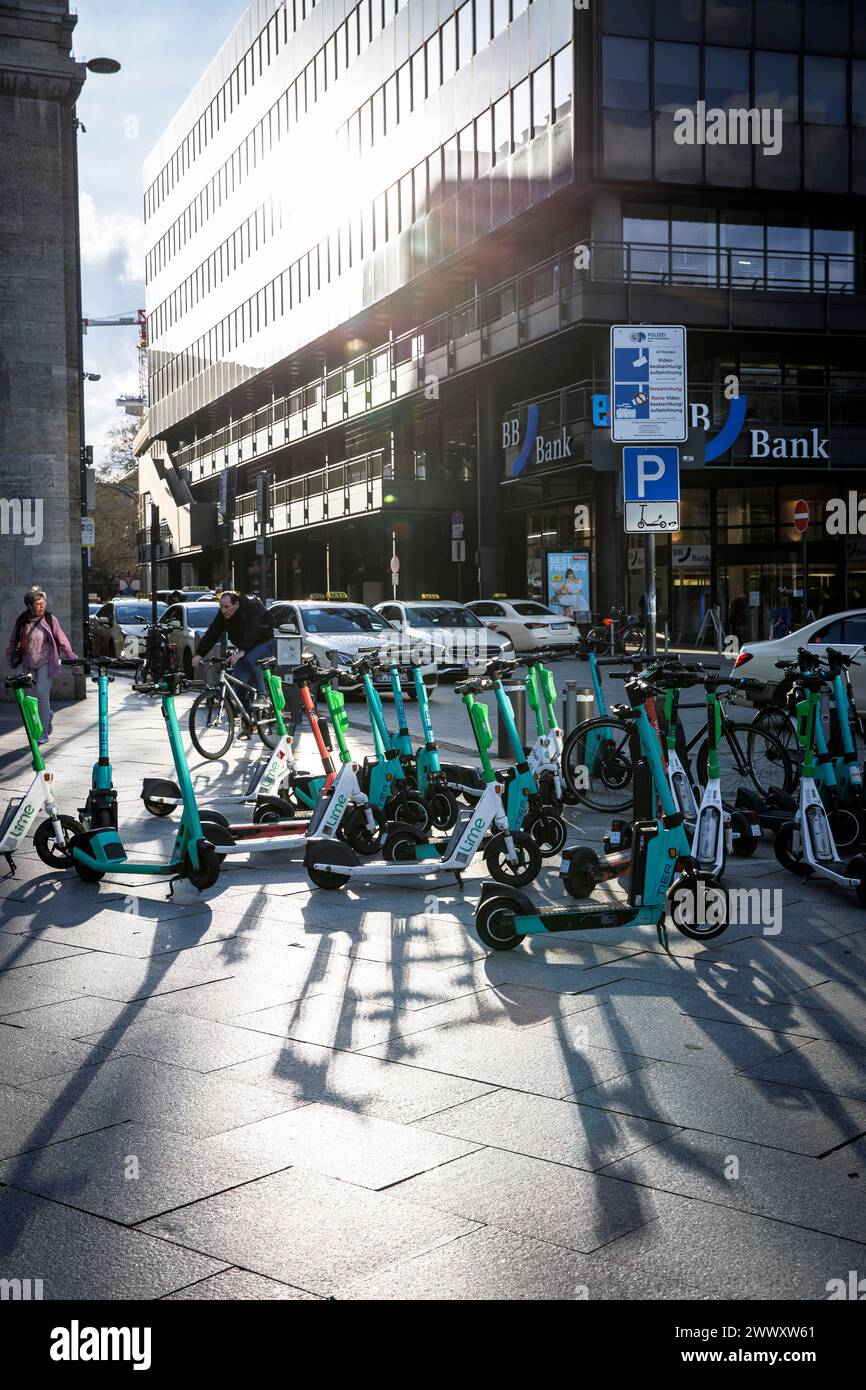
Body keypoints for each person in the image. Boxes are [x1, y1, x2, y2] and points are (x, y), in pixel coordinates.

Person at [5, 587, 77, 744]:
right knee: (31, 698)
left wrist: (73, 660)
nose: (42, 606)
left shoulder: (50, 619)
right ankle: (47, 716)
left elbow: (62, 640)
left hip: (46, 661)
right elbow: (13, 640)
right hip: (29, 663)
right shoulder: (22, 620)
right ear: (29, 605)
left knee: (42, 692)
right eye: (38, 603)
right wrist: (9, 655)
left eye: (43, 603)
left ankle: (43, 731)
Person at [192, 591, 276, 707]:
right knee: (239, 682)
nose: (223, 610)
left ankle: (262, 695)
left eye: (227, 607)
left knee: (251, 659)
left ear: (236, 605)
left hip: (265, 643)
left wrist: (242, 651)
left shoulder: (252, 608)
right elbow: (213, 632)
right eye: (221, 607)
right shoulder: (224, 615)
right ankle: (248, 717)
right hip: (246, 648)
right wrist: (199, 654)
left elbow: (252, 630)